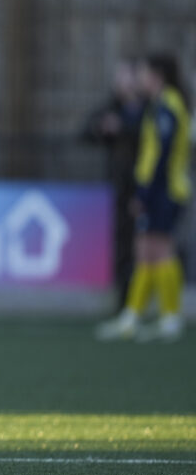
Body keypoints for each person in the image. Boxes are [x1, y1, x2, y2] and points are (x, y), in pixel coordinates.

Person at [96, 53, 190, 343]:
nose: (140, 79)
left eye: (144, 73)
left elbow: (162, 155)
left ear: (157, 75)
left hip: (164, 189)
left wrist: (145, 194)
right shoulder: (160, 104)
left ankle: (168, 317)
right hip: (159, 188)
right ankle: (136, 316)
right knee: (146, 252)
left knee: (160, 251)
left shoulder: (168, 106)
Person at [80, 58, 144, 311]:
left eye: (125, 76)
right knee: (122, 246)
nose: (119, 82)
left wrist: (123, 128)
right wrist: (101, 128)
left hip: (143, 188)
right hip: (118, 187)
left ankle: (147, 306)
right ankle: (124, 303)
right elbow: (85, 132)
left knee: (149, 247)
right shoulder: (112, 107)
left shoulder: (148, 108)